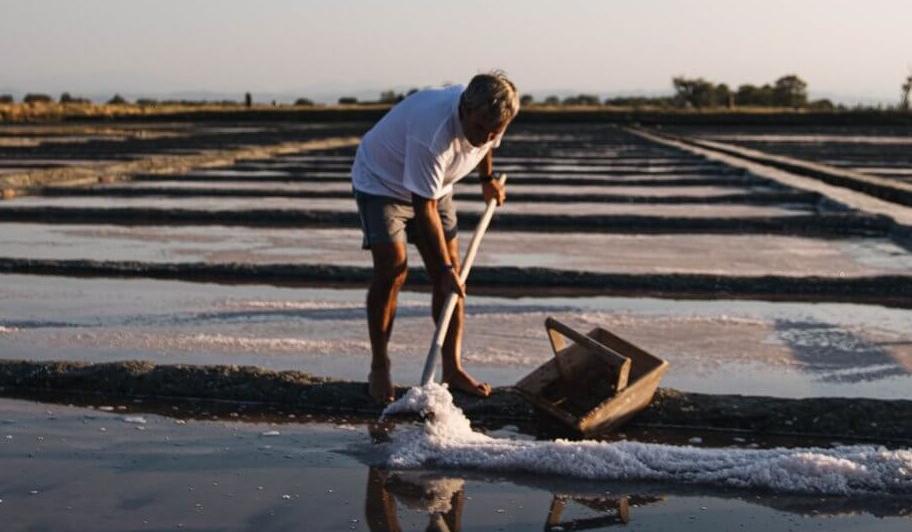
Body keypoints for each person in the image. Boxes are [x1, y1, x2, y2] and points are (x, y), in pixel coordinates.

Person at [351, 71, 519, 403]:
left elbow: (485, 147)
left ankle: (452, 368)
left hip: (435, 188)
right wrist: (442, 270)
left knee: (454, 277)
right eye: (479, 129)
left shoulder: (493, 118)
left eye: (494, 132)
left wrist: (487, 180)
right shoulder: (433, 133)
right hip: (382, 183)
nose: (486, 137)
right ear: (465, 110)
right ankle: (380, 364)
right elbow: (422, 207)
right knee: (393, 269)